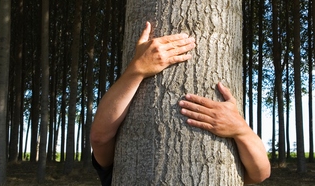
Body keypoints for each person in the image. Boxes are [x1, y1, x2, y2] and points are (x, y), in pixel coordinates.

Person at [90, 21, 271, 185]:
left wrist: (241, 129)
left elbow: (260, 173)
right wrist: (137, 70)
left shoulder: (124, 160)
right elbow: (259, 175)